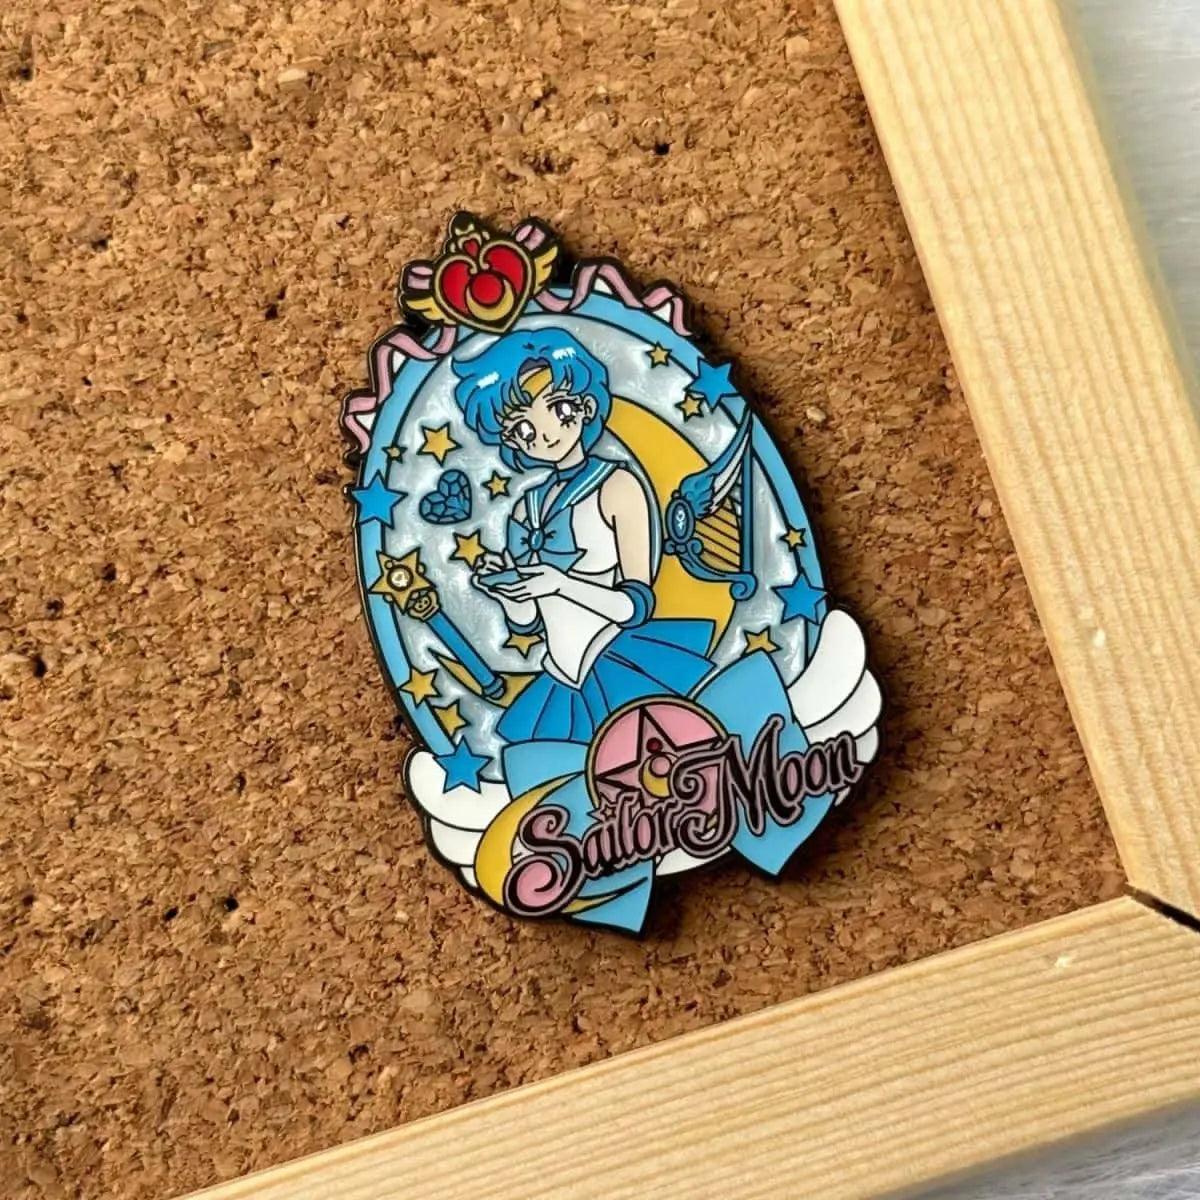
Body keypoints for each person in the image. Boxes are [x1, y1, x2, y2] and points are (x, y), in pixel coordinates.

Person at [451, 327, 715, 744]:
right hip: (559, 679)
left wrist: (560, 584)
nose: (543, 434)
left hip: (618, 661)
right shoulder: (524, 509)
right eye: (522, 429)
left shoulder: (618, 486)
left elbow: (635, 606)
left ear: (586, 405)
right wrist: (506, 594)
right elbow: (528, 621)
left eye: (556, 408)